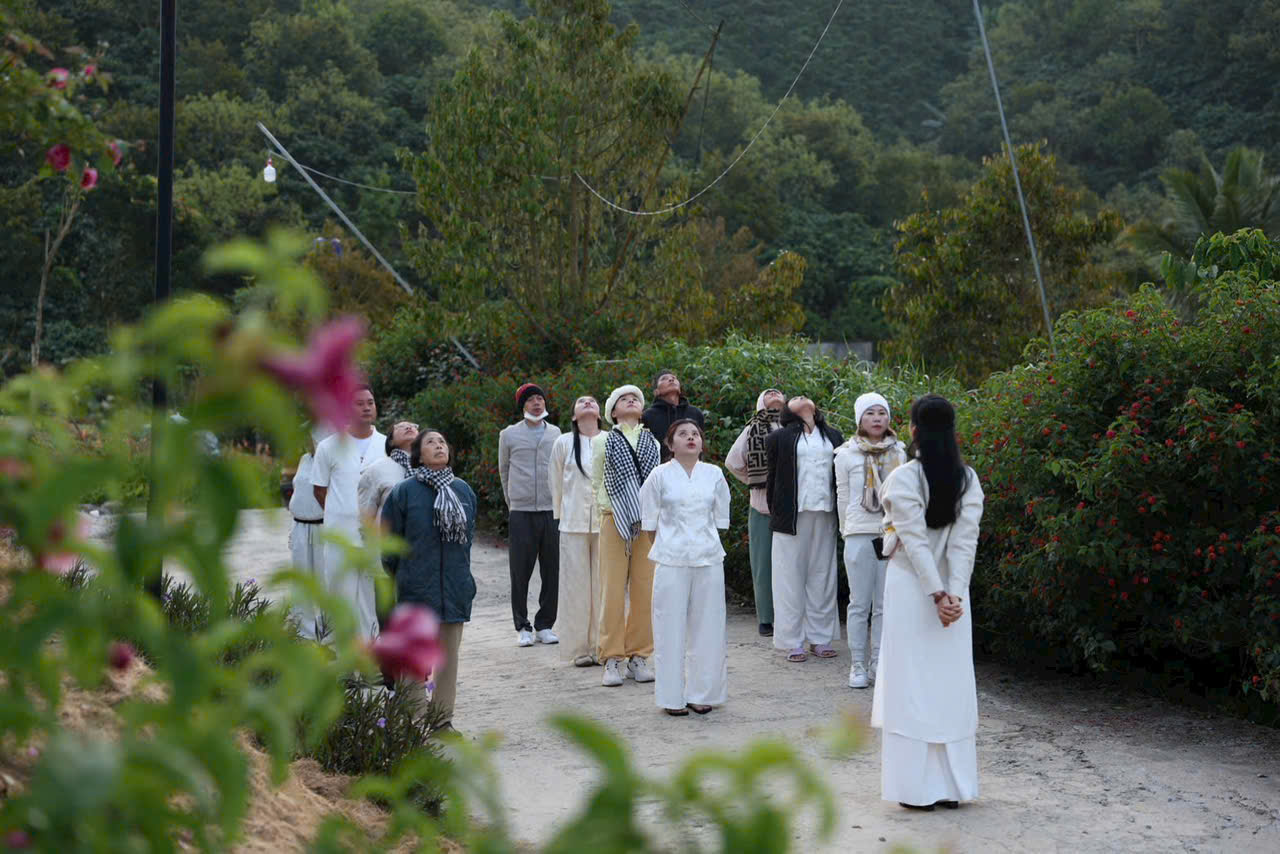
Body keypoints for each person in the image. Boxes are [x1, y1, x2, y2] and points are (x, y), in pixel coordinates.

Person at [872, 394, 984, 811]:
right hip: (956, 597)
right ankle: (953, 788)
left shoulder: (902, 477)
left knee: (912, 685)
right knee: (949, 684)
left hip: (911, 592)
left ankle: (915, 790)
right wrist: (953, 595)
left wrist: (937, 594)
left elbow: (915, 543)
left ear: (914, 431)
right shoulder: (969, 479)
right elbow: (964, 543)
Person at [380, 429, 477, 734]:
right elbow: (389, 545)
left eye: (443, 442)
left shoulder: (463, 491)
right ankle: (415, 721)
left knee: (448, 661)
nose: (438, 446)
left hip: (454, 588)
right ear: (418, 454)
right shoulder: (403, 493)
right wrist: (406, 578)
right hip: (416, 589)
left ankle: (442, 722)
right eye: (431, 442)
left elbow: (468, 541)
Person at [640, 419, 731, 716]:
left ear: (702, 443)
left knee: (709, 628)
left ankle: (701, 693)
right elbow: (650, 525)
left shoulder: (714, 475)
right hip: (671, 560)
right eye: (683, 434)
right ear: (670, 444)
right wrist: (671, 544)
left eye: (695, 434)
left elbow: (720, 521)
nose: (690, 438)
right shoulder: (658, 476)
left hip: (708, 559)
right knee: (669, 627)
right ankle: (671, 697)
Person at [835, 393, 907, 689]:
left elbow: (903, 496)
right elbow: (841, 496)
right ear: (859, 419)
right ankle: (858, 664)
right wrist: (845, 530)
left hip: (890, 534)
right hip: (858, 532)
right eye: (870, 413)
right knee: (858, 603)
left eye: (882, 413)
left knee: (884, 604)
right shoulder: (845, 453)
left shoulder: (899, 452)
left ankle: (879, 661)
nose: (877, 418)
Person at [765, 395, 844, 663]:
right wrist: (777, 511)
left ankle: (820, 638)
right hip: (791, 516)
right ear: (787, 410)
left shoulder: (833, 436)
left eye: (804, 396)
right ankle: (792, 640)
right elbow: (772, 480)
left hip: (826, 511)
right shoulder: (779, 437)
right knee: (788, 577)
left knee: (823, 575)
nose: (800, 397)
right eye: (794, 397)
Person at [592, 384, 661, 687]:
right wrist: (610, 511)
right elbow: (596, 481)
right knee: (612, 590)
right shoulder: (602, 440)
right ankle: (611, 658)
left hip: (646, 522)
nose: (631, 400)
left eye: (635, 398)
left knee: (645, 590)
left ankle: (639, 655)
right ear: (613, 411)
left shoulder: (652, 441)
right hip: (613, 519)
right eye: (623, 398)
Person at [311, 385, 388, 640]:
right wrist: (341, 514)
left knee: (370, 602)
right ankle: (341, 663)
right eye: (359, 403)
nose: (367, 407)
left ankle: (371, 660)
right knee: (339, 598)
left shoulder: (386, 445)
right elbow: (319, 490)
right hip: (339, 538)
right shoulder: (328, 447)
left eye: (371, 402)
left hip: (374, 540)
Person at [498, 383, 562, 647]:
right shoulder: (509, 434)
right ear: (522, 405)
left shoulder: (556, 433)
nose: (537, 403)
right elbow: (504, 471)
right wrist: (513, 503)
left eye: (540, 398)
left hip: (551, 509)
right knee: (520, 571)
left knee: (552, 570)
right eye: (531, 399)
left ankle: (545, 624)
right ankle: (522, 625)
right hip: (522, 511)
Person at [725, 388, 786, 637]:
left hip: (791, 507)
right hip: (761, 506)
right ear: (760, 402)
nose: (774, 394)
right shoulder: (753, 428)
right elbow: (733, 462)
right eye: (768, 393)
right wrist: (756, 481)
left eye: (778, 392)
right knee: (763, 564)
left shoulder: (795, 426)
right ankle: (766, 618)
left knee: (790, 565)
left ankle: (789, 614)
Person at [548, 396, 604, 667]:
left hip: (607, 523)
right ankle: (578, 648)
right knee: (575, 587)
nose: (587, 403)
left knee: (604, 586)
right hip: (572, 524)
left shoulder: (610, 439)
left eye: (593, 401)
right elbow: (556, 481)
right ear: (573, 415)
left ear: (601, 412)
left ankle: (602, 644)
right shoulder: (563, 443)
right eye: (581, 401)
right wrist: (560, 516)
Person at [287, 427, 331, 641]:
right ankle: (303, 634)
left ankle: (328, 634)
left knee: (325, 582)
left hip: (323, 526)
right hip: (300, 527)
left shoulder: (330, 461)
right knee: (301, 582)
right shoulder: (305, 459)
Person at [358, 421, 419, 522]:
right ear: (391, 441)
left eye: (413, 426)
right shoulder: (376, 470)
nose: (408, 427)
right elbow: (365, 518)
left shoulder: (430, 468)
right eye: (400, 427)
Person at [641, 370, 705, 462]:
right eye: (664, 379)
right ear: (656, 391)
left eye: (674, 378)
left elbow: (700, 446)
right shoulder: (647, 416)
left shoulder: (695, 413)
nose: (671, 379)